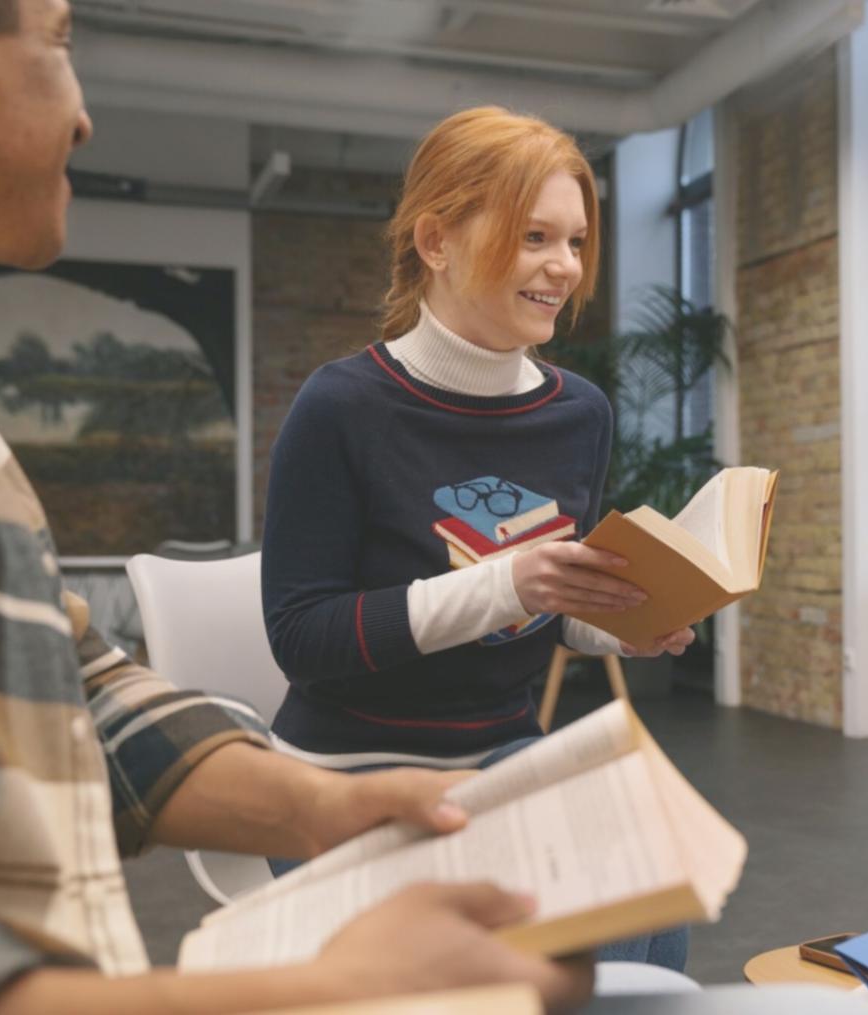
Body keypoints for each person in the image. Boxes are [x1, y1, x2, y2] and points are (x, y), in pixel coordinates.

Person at [0, 1, 591, 1011]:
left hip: (464, 766)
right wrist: (323, 984)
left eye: (574, 242)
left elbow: (78, 686)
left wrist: (323, 808)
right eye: (65, 37)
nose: (86, 117)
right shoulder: (343, 402)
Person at [259, 105, 694, 969]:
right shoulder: (342, 406)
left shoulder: (580, 412)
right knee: (562, 938)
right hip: (345, 770)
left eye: (574, 241)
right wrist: (513, 582)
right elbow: (302, 638)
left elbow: (549, 604)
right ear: (436, 240)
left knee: (655, 891)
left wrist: (625, 620)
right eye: (534, 236)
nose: (563, 267)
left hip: (499, 754)